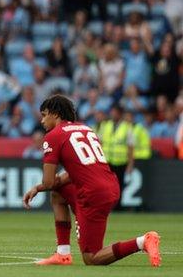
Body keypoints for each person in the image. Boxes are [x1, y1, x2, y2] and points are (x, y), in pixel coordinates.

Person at [22, 95, 160, 266]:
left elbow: (49, 182)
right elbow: (75, 173)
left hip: (93, 194)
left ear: (55, 114)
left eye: (44, 115)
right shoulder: (85, 128)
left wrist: (38, 187)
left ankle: (143, 241)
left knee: (92, 258)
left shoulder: (53, 136)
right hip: (110, 185)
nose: (42, 120)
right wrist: (40, 187)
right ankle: (62, 254)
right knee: (58, 195)